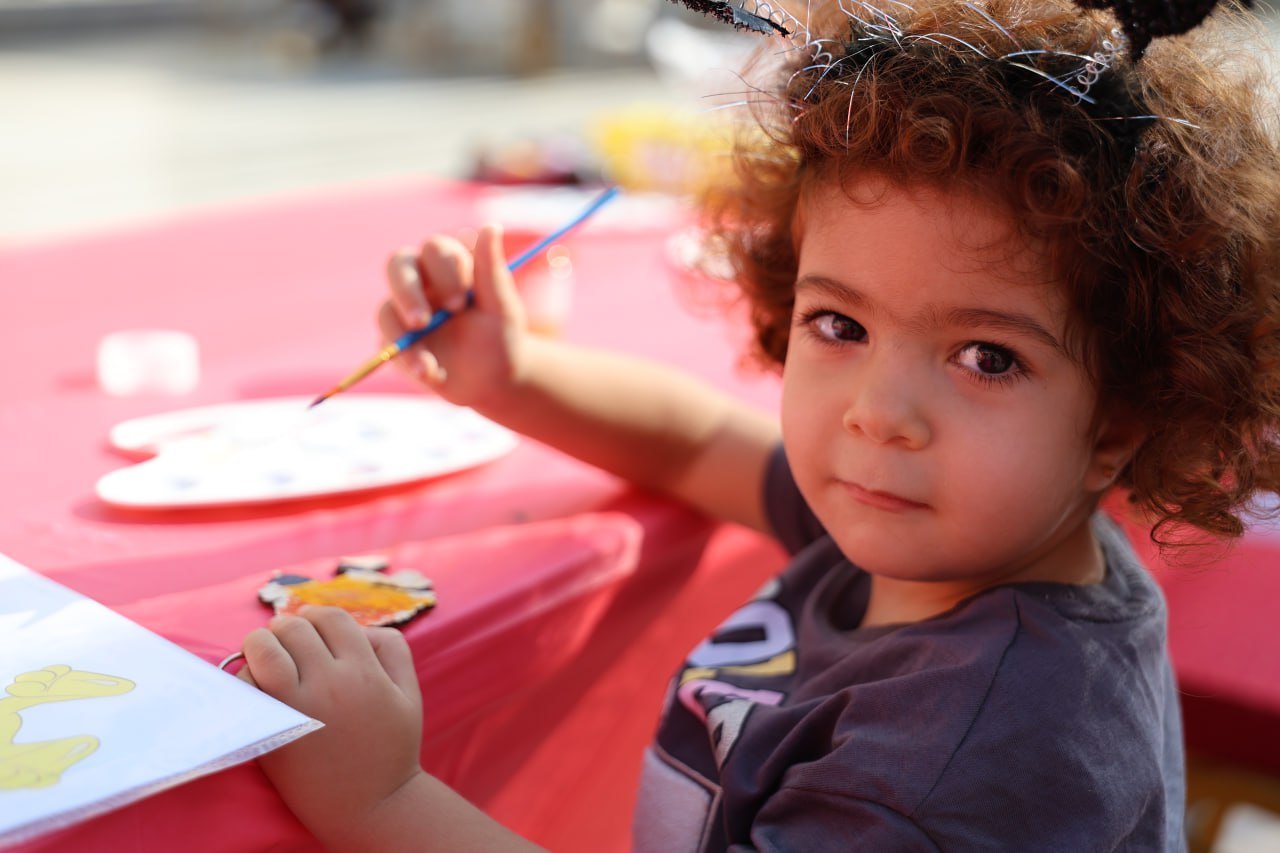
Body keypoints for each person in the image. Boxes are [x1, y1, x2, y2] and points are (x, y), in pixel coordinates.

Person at [235, 0, 1280, 848]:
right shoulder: (946, 529)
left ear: (1121, 418)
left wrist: (379, 799)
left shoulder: (956, 764)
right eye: (839, 324)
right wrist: (511, 374)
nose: (879, 413)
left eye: (986, 357)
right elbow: (696, 443)